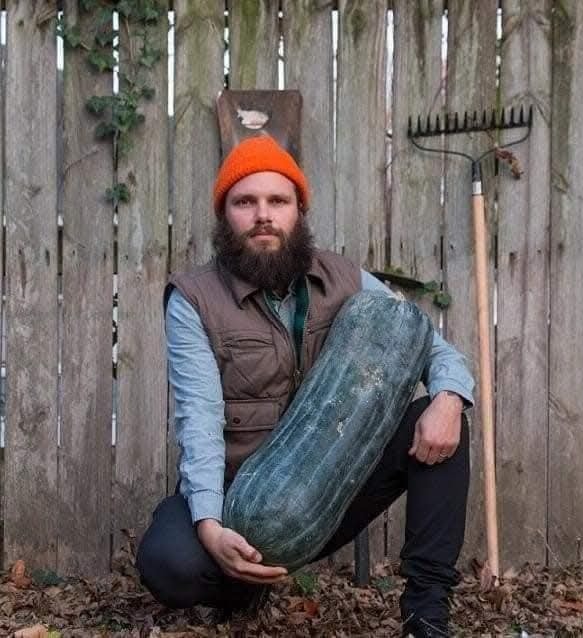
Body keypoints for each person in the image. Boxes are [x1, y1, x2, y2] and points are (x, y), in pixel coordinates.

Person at [136, 135, 474, 638]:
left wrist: (448, 398)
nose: (263, 215)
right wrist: (210, 526)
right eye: (245, 202)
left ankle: (426, 614)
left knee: (444, 422)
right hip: (239, 498)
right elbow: (199, 419)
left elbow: (427, 341)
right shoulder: (194, 298)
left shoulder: (344, 278)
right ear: (224, 215)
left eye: (278, 200)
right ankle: (240, 586)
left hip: (328, 488)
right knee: (170, 563)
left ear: (299, 211)